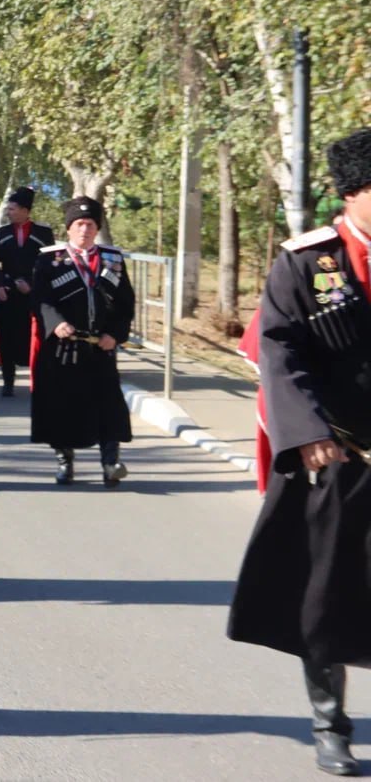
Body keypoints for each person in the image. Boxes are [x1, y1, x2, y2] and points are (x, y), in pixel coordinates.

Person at [228, 128, 371, 778]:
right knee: (328, 595)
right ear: (354, 193)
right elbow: (279, 352)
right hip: (337, 457)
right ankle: (329, 723)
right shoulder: (309, 262)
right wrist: (308, 429)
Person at [29, 197, 134, 487]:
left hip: (100, 346)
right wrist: (56, 322)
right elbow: (40, 299)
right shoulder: (49, 259)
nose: (85, 230)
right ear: (69, 229)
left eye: (90, 224)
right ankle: (65, 462)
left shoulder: (112, 259)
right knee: (63, 407)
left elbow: (125, 305)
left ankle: (110, 463)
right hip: (63, 347)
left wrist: (115, 334)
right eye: (79, 224)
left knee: (110, 406)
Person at [0, 187, 56, 396]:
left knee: (36, 338)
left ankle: (39, 380)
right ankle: (8, 381)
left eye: (13, 209)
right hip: (8, 293)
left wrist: (33, 285)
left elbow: (50, 263)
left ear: (25, 210)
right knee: (6, 338)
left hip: (34, 294)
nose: (9, 212)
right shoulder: (3, 233)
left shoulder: (43, 234)